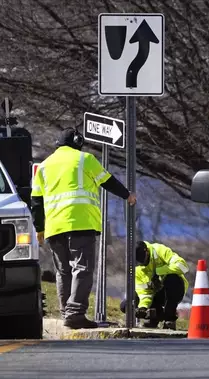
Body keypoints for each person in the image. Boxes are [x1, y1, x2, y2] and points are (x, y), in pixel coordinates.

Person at [31, 128, 137, 329]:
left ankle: (67, 313)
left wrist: (39, 228)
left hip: (54, 227)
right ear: (78, 141)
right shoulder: (84, 159)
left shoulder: (44, 166)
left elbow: (36, 201)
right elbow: (108, 181)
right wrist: (127, 195)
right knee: (82, 268)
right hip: (80, 223)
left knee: (63, 272)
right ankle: (75, 313)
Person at [119, 240, 189, 330]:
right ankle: (155, 317)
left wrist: (159, 272)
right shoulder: (137, 268)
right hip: (154, 295)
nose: (143, 264)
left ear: (147, 251)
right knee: (126, 305)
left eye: (144, 260)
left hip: (173, 290)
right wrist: (143, 308)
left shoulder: (159, 250)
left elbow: (183, 266)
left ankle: (169, 319)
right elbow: (144, 293)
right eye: (141, 263)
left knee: (172, 278)